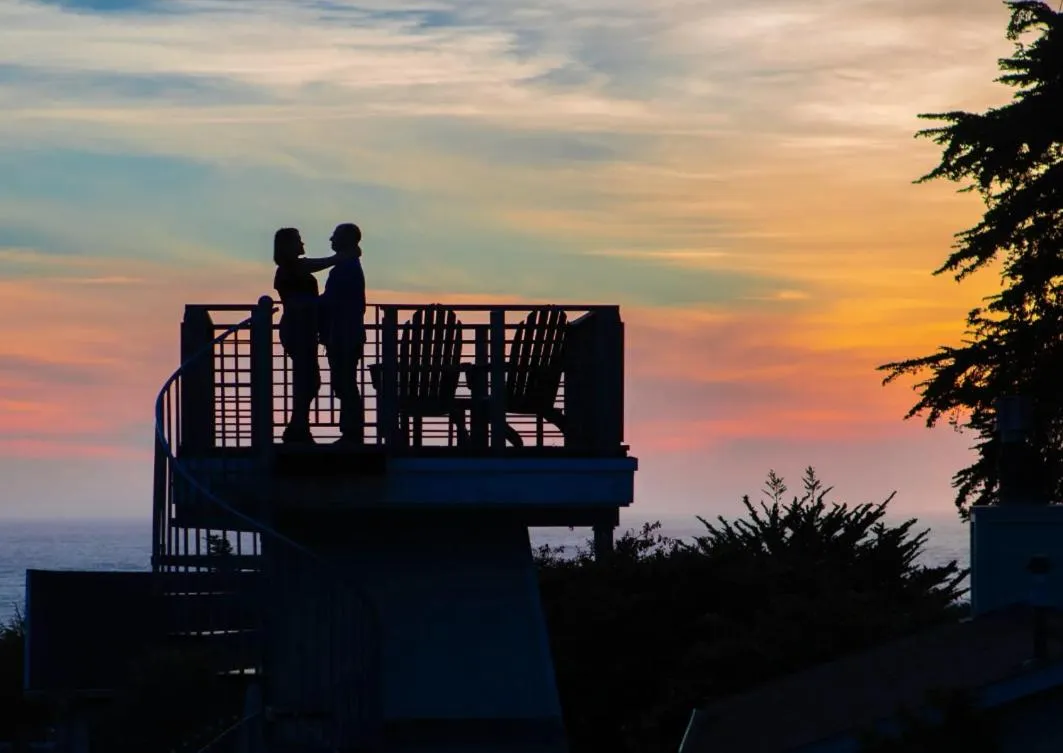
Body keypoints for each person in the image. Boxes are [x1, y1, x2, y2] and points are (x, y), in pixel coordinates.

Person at [272, 227, 337, 443]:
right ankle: (297, 429)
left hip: (305, 330)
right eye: (299, 241)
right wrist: (340, 258)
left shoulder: (294, 268)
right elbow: (314, 266)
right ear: (288, 245)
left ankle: (298, 426)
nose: (303, 244)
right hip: (296, 328)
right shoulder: (288, 269)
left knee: (310, 380)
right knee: (306, 379)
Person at [320, 222, 367, 444]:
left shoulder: (345, 268)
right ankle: (351, 430)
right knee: (345, 382)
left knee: (345, 382)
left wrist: (308, 305)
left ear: (347, 240)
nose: (331, 239)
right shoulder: (347, 266)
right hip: (345, 332)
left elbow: (333, 301)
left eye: (335, 236)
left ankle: (352, 431)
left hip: (344, 334)